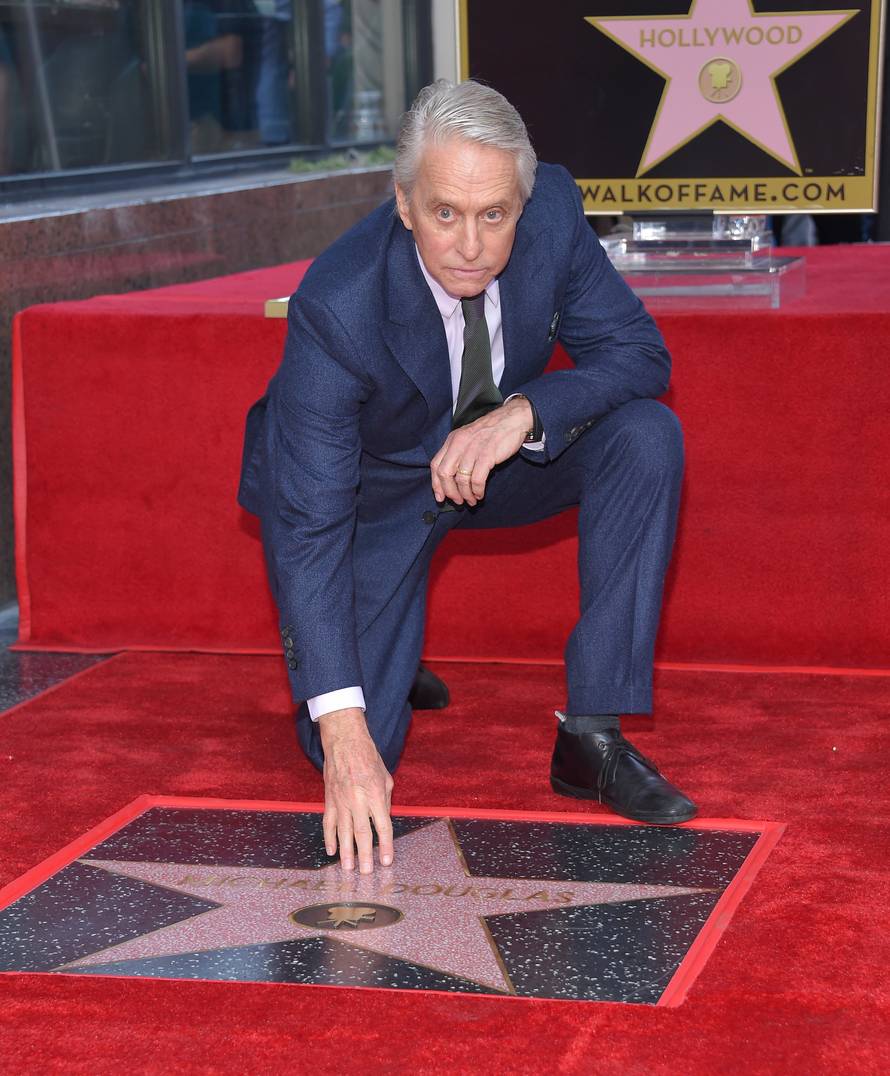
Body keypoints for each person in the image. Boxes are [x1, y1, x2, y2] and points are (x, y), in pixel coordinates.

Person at [238, 79, 696, 876]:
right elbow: (309, 529)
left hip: (495, 464)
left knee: (645, 436)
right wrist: (344, 733)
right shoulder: (337, 305)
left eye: (495, 215)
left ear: (523, 200)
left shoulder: (552, 215)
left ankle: (591, 736)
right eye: (445, 213)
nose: (472, 246)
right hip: (365, 497)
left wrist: (520, 413)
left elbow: (640, 355)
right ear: (405, 203)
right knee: (341, 741)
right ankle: (382, 633)